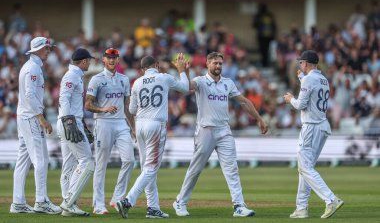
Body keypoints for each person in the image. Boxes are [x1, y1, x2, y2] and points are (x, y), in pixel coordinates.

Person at [173, 52, 268, 218]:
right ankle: (180, 201)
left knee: (232, 169)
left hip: (224, 130)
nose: (218, 66)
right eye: (215, 63)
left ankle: (239, 205)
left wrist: (259, 119)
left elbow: (244, 101)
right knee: (196, 169)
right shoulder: (201, 81)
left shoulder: (227, 83)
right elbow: (187, 87)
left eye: (220, 64)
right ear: (207, 64)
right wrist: (185, 71)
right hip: (205, 130)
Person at [117, 54, 190, 219]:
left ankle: (153, 208)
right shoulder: (163, 77)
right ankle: (128, 200)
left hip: (140, 125)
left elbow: (133, 110)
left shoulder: (137, 82)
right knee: (151, 168)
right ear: (156, 64)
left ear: (142, 69)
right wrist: (181, 71)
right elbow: (185, 88)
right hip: (155, 125)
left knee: (146, 169)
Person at [283, 50, 344, 219]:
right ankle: (301, 208)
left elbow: (301, 104)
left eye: (301, 62)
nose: (300, 65)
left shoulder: (309, 79)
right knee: (306, 168)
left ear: (307, 64)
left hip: (311, 127)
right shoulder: (323, 79)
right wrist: (302, 79)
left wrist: (290, 99)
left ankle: (331, 199)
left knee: (304, 167)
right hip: (322, 125)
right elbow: (313, 89)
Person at [11, 37, 62, 214]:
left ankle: (18, 203)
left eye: (49, 48)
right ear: (38, 50)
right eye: (46, 48)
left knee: (23, 160)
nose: (49, 51)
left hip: (25, 116)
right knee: (41, 159)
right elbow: (30, 95)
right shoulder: (32, 68)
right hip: (31, 117)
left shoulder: (32, 66)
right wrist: (41, 118)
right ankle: (41, 201)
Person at [85, 48, 136, 215]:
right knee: (101, 164)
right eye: (109, 58)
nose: (112, 60)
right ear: (103, 60)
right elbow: (88, 104)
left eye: (114, 58)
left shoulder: (124, 79)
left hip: (121, 123)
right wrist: (104, 109)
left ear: (118, 60)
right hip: (103, 123)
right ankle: (98, 205)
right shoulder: (96, 80)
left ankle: (117, 198)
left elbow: (127, 106)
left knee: (129, 160)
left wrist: (133, 126)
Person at [58, 48, 95, 217]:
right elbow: (63, 97)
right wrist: (70, 121)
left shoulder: (76, 75)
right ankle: (69, 202)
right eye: (89, 60)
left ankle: (68, 206)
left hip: (70, 121)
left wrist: (80, 123)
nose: (90, 63)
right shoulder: (72, 75)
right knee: (87, 161)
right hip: (69, 122)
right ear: (84, 61)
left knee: (69, 165)